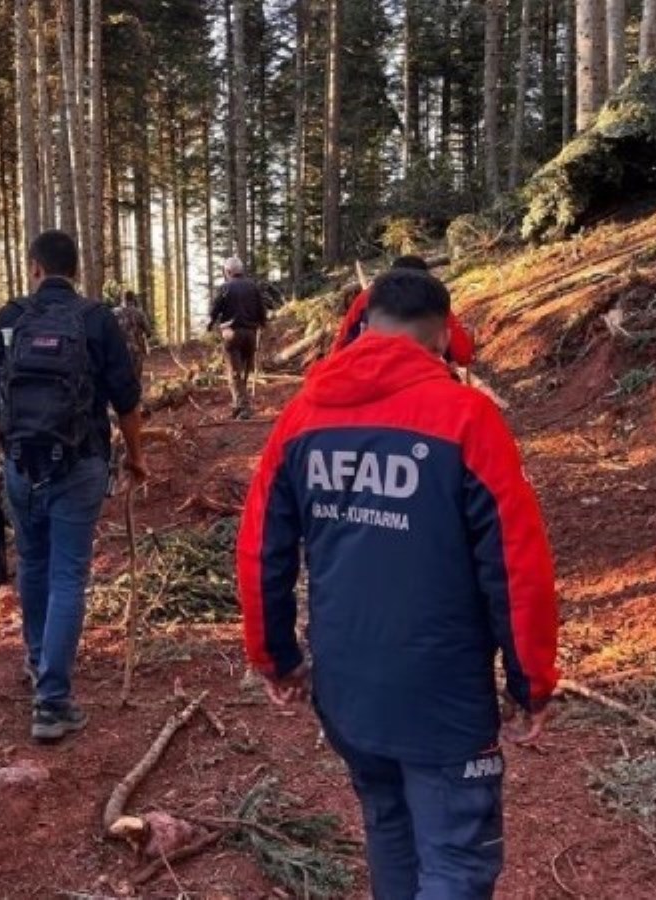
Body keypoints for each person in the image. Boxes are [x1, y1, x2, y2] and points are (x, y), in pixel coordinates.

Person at [237, 268, 559, 899]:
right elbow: (518, 566)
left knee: (390, 829)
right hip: (442, 698)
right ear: (443, 337)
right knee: (455, 862)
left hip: (348, 689)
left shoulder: (301, 418)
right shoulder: (468, 419)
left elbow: (258, 554)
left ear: (362, 326)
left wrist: (276, 659)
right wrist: (531, 682)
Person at [0, 230, 147, 743]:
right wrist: (136, 457)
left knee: (33, 563)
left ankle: (37, 662)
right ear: (76, 271)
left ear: (33, 268)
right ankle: (52, 701)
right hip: (80, 465)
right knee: (69, 574)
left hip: (20, 466)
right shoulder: (96, 320)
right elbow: (127, 401)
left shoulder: (9, 319)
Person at [334, 255, 476, 366]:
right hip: (421, 377)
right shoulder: (431, 298)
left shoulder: (367, 297)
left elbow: (339, 349)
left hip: (362, 372)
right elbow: (462, 354)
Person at [207, 256, 270, 419]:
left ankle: (243, 408)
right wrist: (263, 324)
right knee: (244, 371)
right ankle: (238, 405)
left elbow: (213, 311)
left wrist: (210, 324)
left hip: (231, 333)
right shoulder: (253, 287)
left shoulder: (225, 288)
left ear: (228, 271)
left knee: (235, 373)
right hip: (250, 334)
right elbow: (262, 310)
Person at [113, 289, 152, 387]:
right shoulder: (139, 313)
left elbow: (108, 332)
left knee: (121, 377)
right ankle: (135, 399)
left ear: (122, 299)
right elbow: (148, 332)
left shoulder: (114, 313)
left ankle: (122, 398)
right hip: (136, 350)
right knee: (136, 378)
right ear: (133, 299)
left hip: (119, 350)